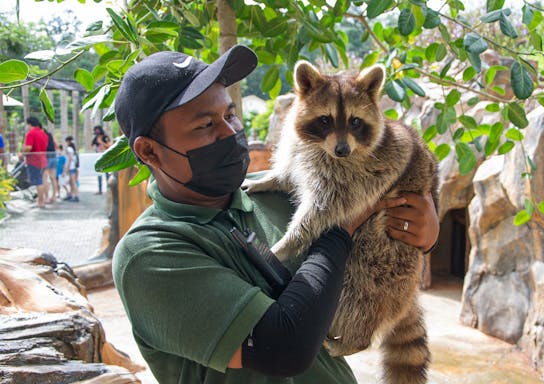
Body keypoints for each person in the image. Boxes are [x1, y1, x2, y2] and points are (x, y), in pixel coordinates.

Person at [112, 46, 440, 384]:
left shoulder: (271, 196)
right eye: (206, 125)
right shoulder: (150, 254)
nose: (229, 133)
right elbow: (284, 348)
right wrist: (340, 229)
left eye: (230, 115)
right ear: (149, 150)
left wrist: (423, 233)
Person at [23, 117, 48, 208]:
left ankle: (40, 202)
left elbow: (28, 147)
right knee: (42, 180)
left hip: (34, 160)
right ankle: (42, 200)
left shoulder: (31, 134)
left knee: (38, 181)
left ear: (29, 124)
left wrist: (22, 152)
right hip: (43, 159)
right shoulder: (43, 134)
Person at [91, 125, 111, 194]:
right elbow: (92, 146)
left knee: (107, 173)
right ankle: (100, 190)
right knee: (99, 174)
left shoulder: (105, 137)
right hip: (98, 156)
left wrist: (101, 142)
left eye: (98, 130)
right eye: (95, 130)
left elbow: (109, 146)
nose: (97, 131)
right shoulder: (95, 138)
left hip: (106, 157)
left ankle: (109, 189)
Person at [42, 128, 58, 204]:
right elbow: (56, 144)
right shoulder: (50, 135)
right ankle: (54, 196)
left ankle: (46, 197)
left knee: (45, 178)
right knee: (53, 178)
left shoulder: (41, 135)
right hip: (53, 156)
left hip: (46, 157)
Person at [63, 136, 79, 202]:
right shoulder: (73, 148)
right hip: (74, 167)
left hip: (71, 167)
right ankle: (72, 195)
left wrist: (66, 168)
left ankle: (75, 196)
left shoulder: (69, 148)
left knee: (73, 182)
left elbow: (69, 159)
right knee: (71, 182)